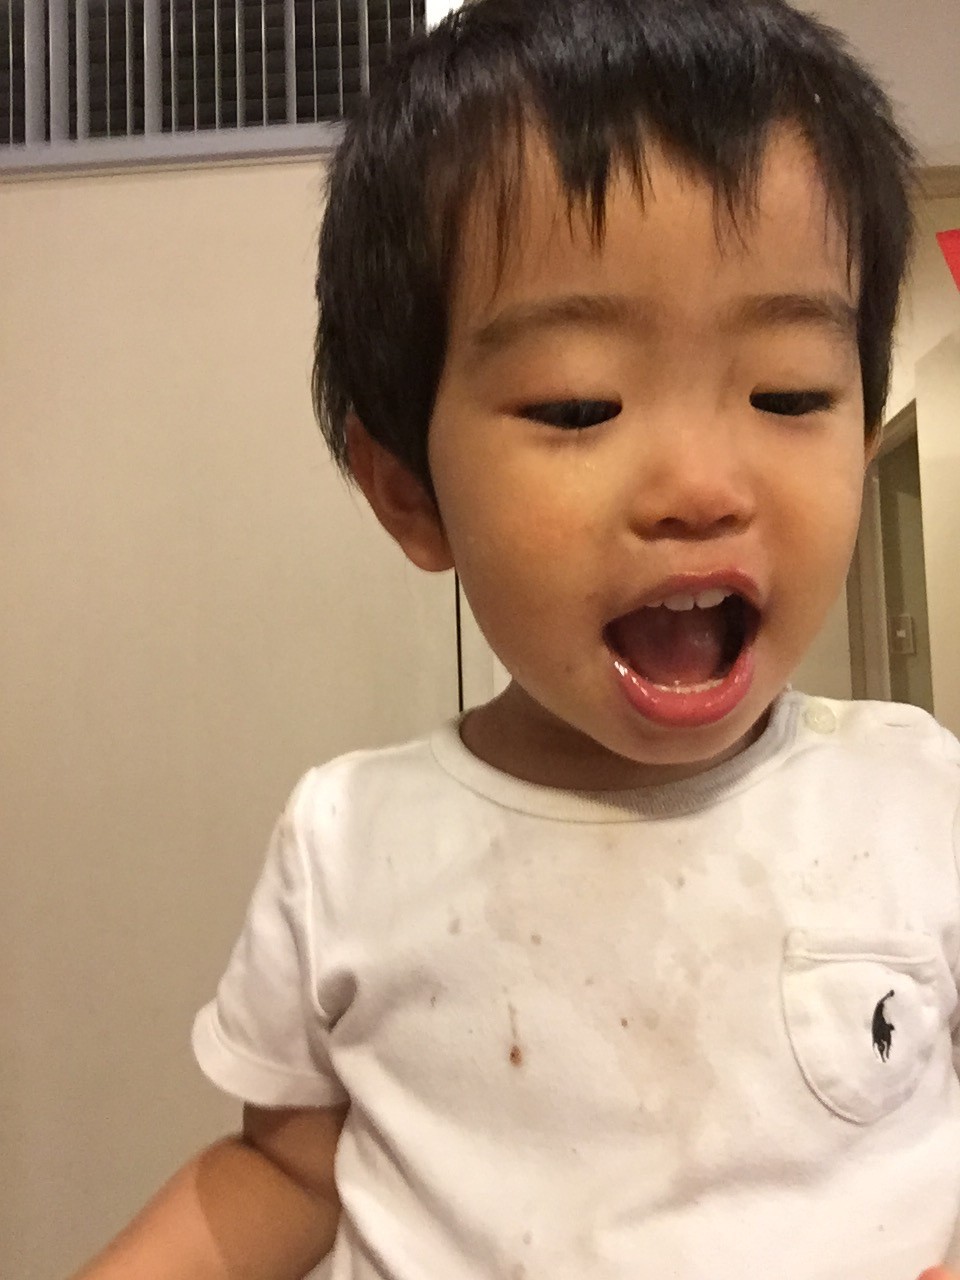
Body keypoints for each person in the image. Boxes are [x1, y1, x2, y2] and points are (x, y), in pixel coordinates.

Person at [72, 1, 960, 1278]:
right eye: (578, 404)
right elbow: (284, 1170)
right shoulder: (351, 845)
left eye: (787, 392)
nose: (700, 485)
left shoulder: (916, 799)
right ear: (411, 495)